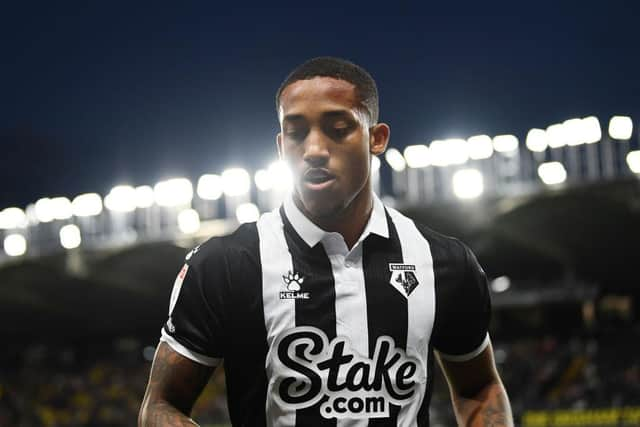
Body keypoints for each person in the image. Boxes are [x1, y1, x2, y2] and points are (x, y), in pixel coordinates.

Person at [139, 56, 513, 427]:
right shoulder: (226, 264)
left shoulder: (443, 262)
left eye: (338, 128)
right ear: (280, 144)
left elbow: (479, 388)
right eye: (296, 132)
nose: (314, 149)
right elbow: (160, 405)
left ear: (376, 138)